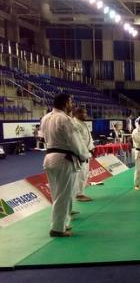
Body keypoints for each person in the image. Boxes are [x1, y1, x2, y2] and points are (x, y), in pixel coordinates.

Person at [40, 94, 91, 237]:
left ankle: (63, 223)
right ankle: (57, 228)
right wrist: (84, 155)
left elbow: (43, 136)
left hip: (50, 157)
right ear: (64, 104)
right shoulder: (64, 119)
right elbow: (74, 141)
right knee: (64, 195)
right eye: (70, 102)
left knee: (58, 194)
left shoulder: (46, 118)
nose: (71, 104)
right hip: (64, 159)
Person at [72, 107, 95, 202]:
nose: (86, 115)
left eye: (86, 113)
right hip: (80, 153)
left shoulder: (82, 123)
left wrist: (92, 147)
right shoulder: (75, 124)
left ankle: (81, 192)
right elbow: (78, 141)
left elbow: (88, 138)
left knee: (84, 174)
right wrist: (83, 153)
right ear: (77, 113)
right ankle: (79, 194)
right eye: (83, 113)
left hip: (86, 152)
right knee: (80, 175)